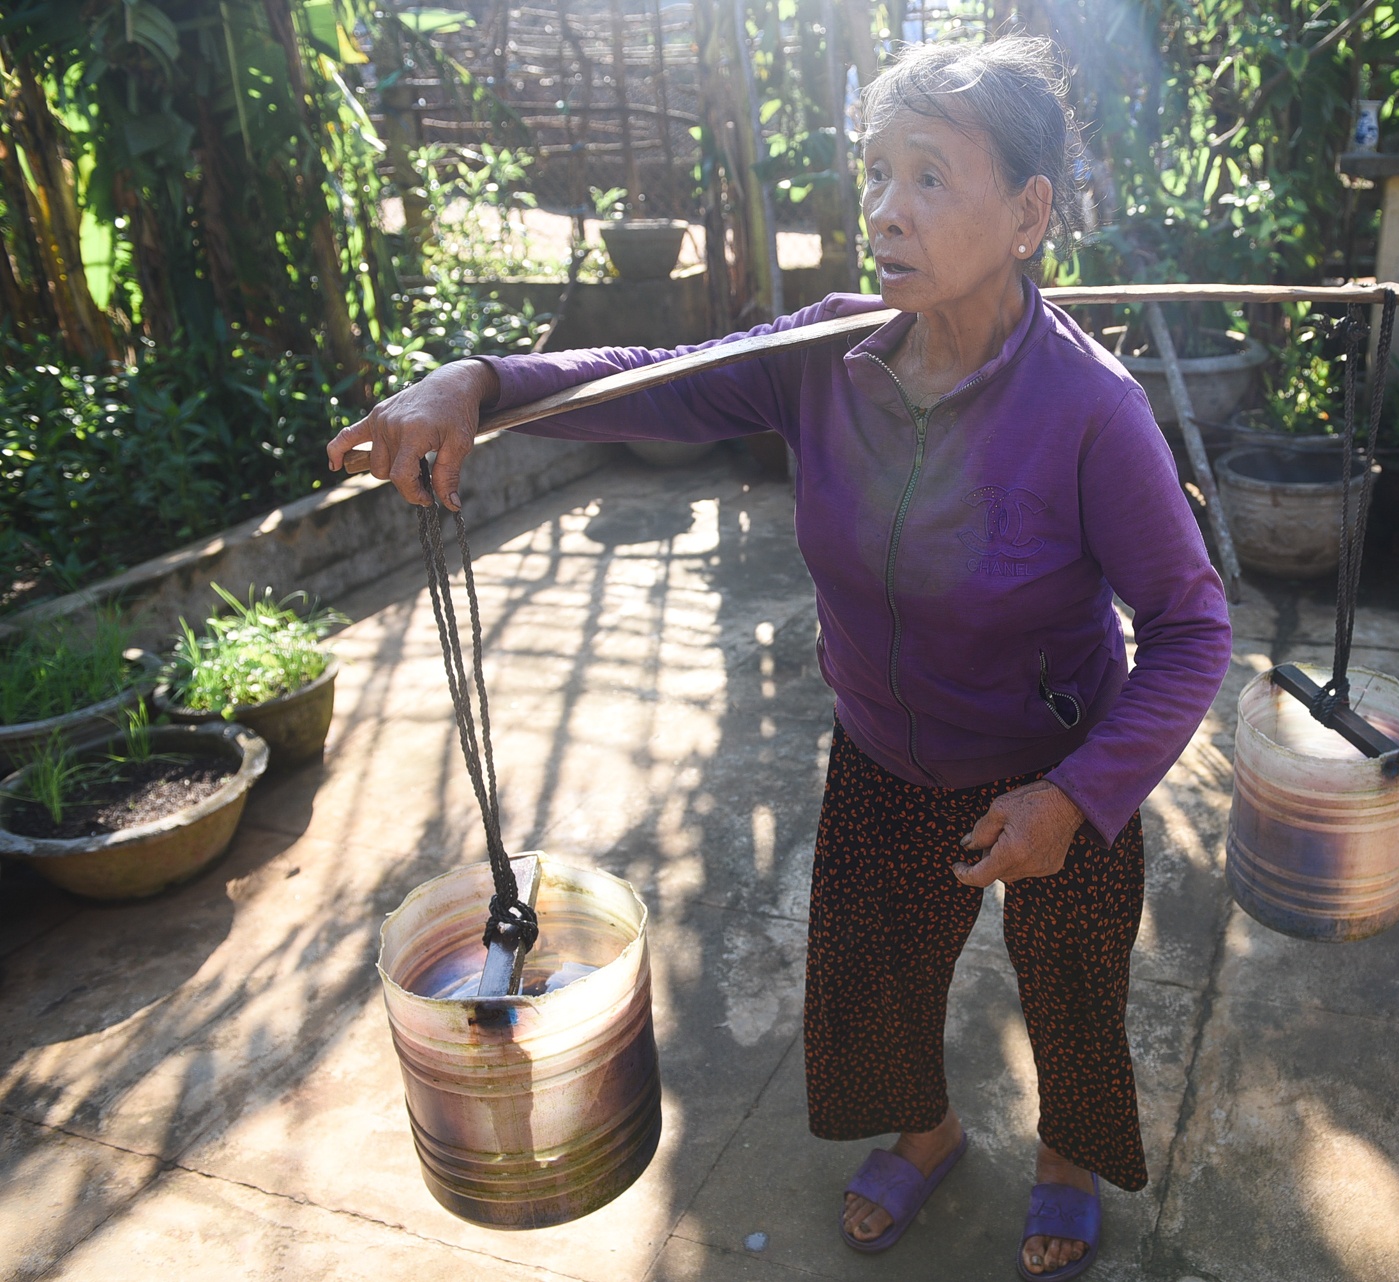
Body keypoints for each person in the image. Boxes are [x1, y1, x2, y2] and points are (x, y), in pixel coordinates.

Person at [328, 35, 1231, 1282]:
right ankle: (927, 1132)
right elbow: (653, 381)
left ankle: (1068, 1161)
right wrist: (480, 382)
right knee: (872, 975)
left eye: (928, 176)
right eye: (876, 173)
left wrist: (1077, 798)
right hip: (884, 752)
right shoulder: (830, 354)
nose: (885, 209)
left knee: (1075, 987)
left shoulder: (1093, 410)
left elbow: (1192, 626)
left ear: (1029, 214)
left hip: (1055, 759)